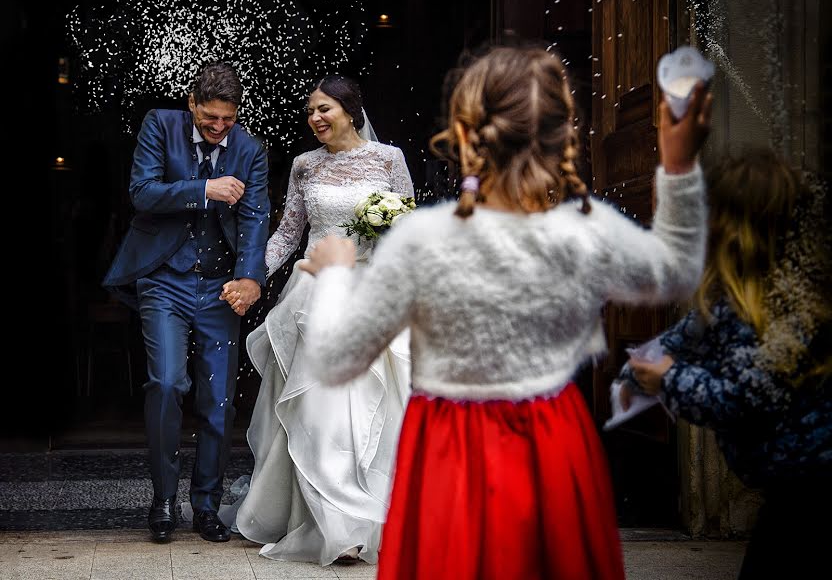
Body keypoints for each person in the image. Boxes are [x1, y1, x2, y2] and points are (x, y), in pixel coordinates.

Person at [298, 45, 712, 580]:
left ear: (464, 135)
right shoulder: (586, 234)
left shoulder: (423, 241)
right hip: (554, 441)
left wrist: (334, 275)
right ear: (564, 137)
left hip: (449, 450)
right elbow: (677, 270)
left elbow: (334, 361)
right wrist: (678, 167)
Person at [221, 75, 414, 565]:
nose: (316, 119)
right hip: (315, 296)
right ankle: (331, 524)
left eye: (324, 109)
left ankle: (370, 519)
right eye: (310, 111)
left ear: (351, 110)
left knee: (371, 409)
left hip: (371, 294)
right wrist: (250, 276)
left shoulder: (389, 159)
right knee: (319, 409)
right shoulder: (305, 165)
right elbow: (288, 233)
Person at [616, 148, 831, 579]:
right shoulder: (730, 301)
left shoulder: (788, 308)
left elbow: (747, 397)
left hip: (812, 490)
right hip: (785, 490)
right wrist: (638, 369)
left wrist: (669, 379)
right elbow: (680, 338)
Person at [103, 62, 270, 543]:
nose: (218, 128)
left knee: (217, 401)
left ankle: (206, 506)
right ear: (192, 103)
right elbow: (142, 193)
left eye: (228, 119)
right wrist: (204, 189)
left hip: (220, 287)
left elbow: (256, 217)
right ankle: (162, 500)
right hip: (164, 281)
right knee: (166, 382)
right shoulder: (160, 124)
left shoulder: (250, 150)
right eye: (209, 118)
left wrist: (250, 278)